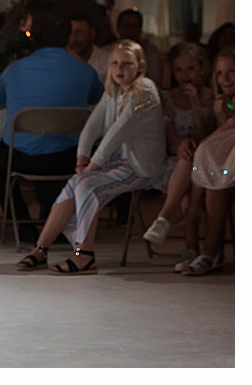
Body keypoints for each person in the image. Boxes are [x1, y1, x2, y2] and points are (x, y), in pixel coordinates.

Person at [15, 41, 165, 274]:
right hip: (117, 164)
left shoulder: (144, 91)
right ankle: (41, 249)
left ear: (141, 65)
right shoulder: (114, 91)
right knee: (76, 182)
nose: (119, 69)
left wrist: (92, 166)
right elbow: (92, 127)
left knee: (85, 183)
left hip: (140, 167)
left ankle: (84, 254)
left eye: (127, 63)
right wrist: (81, 160)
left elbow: (117, 133)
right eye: (114, 63)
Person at [0, 11, 104, 232]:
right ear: (67, 37)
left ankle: (21, 222)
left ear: (33, 37)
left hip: (20, 157)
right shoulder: (85, 71)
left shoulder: (14, 69)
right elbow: (97, 99)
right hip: (68, 157)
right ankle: (55, 221)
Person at [143, 48, 234, 274]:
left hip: (212, 158)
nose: (225, 78)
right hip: (187, 156)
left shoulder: (215, 99)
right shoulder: (170, 98)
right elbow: (170, 137)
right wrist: (180, 145)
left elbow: (213, 136)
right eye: (221, 73)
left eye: (232, 71)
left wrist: (203, 108)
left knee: (204, 166)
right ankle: (192, 246)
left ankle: (187, 228)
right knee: (194, 163)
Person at [112, 8, 162, 86]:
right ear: (118, 28)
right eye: (127, 25)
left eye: (135, 26)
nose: (130, 30)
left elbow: (155, 80)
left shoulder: (151, 51)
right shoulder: (108, 51)